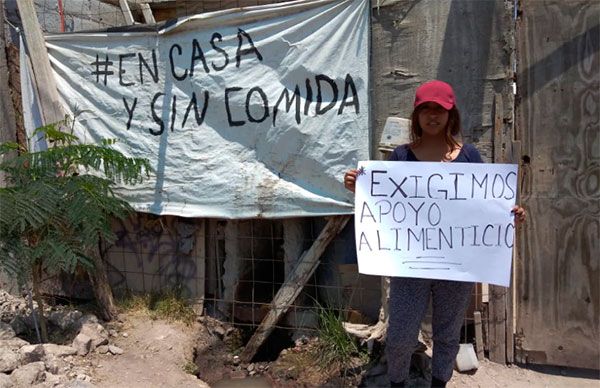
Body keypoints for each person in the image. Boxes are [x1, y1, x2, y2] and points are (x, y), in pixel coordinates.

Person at [343, 80, 526, 387]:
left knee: (448, 333)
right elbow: (383, 203)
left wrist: (509, 215)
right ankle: (398, 383)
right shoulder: (400, 158)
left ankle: (439, 383)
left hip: (455, 267)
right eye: (425, 109)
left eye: (439, 109)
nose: (432, 115)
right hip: (409, 266)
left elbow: (485, 207)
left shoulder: (469, 157)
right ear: (416, 115)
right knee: (400, 335)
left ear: (450, 113)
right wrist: (358, 186)